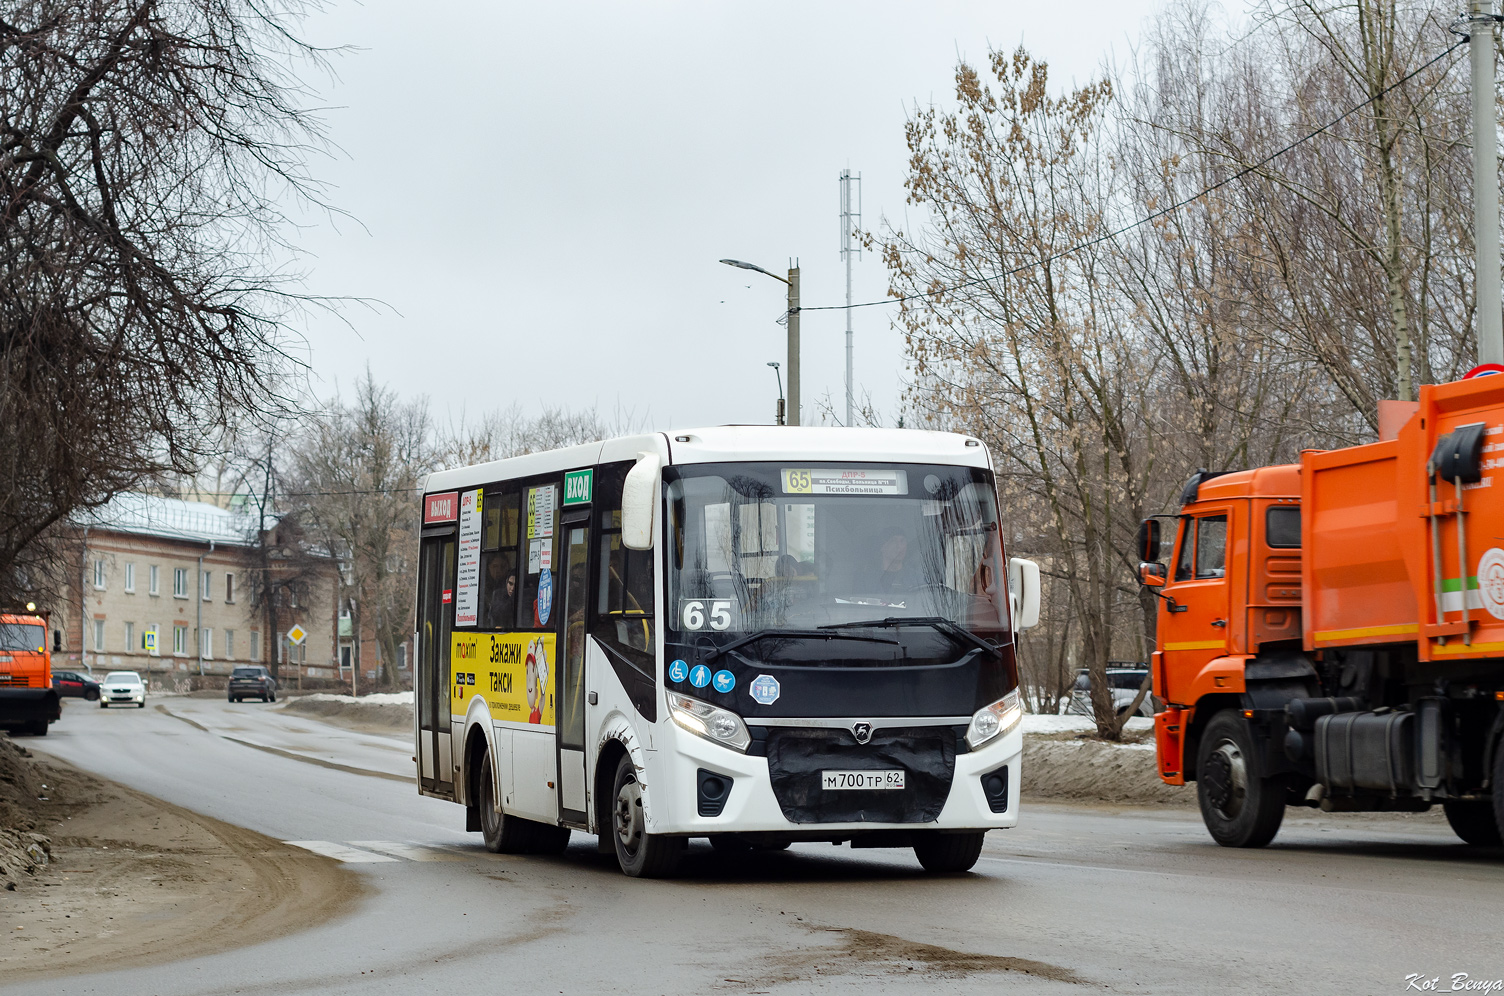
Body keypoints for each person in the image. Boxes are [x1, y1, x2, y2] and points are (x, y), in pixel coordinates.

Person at [873, 526, 914, 591]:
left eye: (902, 541)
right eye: (893, 541)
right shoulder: (868, 578)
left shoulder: (916, 577)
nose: (899, 546)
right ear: (882, 546)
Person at [485, 555, 517, 630]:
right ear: (488, 567)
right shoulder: (483, 586)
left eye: (503, 566)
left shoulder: (510, 580)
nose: (499, 570)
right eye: (495, 566)